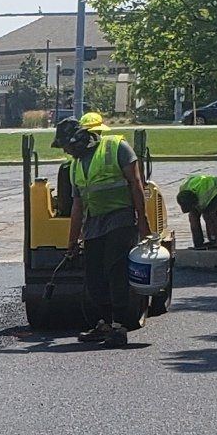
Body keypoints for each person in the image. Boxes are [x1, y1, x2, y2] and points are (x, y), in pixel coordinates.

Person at [58, 113, 150, 349]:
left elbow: (136, 183)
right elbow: (78, 205)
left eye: (67, 146)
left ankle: (119, 326)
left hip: (121, 218)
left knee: (115, 269)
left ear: (78, 140)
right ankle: (105, 323)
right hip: (95, 223)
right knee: (94, 275)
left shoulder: (117, 147)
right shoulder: (75, 165)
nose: (66, 152)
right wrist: (72, 241)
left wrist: (142, 220)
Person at [174, 171, 217, 248]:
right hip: (203, 187)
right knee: (193, 217)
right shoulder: (183, 188)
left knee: (209, 215)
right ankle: (198, 243)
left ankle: (215, 240)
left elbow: (211, 215)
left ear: (195, 202)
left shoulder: (205, 197)